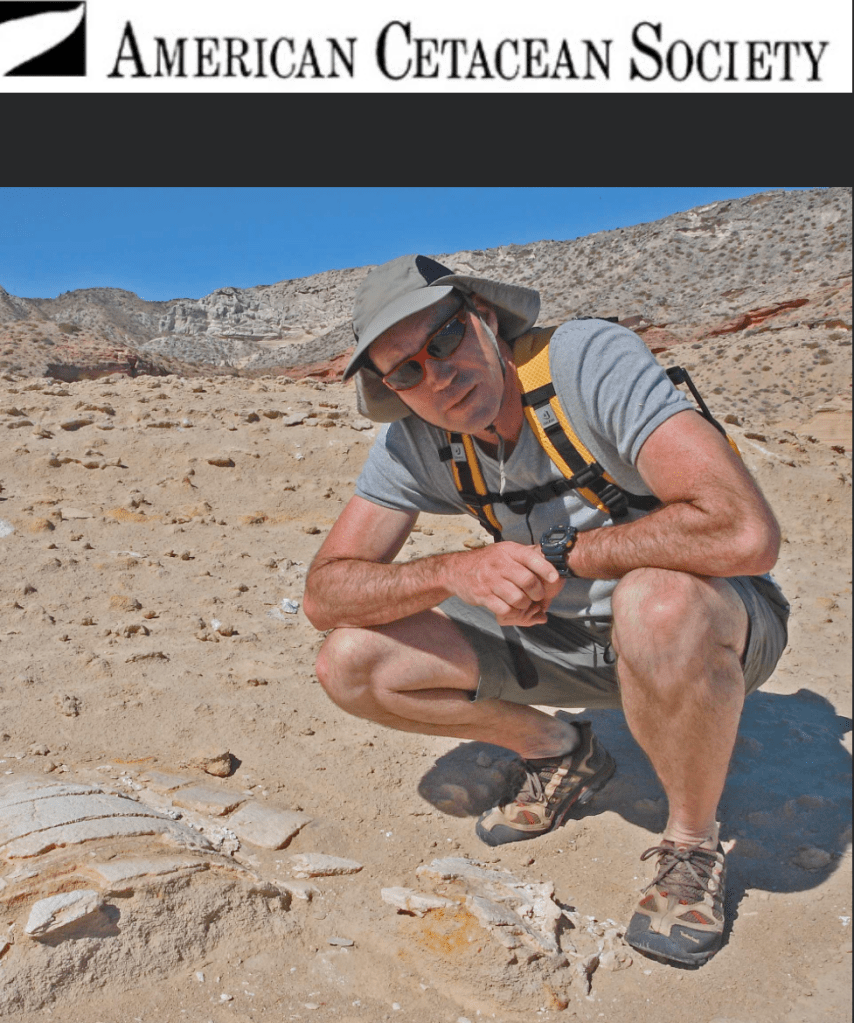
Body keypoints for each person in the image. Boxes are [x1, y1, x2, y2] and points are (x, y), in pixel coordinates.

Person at [302, 254, 790, 968]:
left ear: (485, 318)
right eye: (405, 371)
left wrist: (569, 554)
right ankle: (560, 752)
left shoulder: (586, 365)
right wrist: (454, 570)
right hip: (557, 638)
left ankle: (689, 844)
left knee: (654, 600)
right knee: (351, 661)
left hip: (705, 624)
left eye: (443, 340)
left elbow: (744, 531)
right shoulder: (416, 441)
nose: (436, 377)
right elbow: (325, 593)